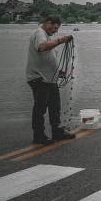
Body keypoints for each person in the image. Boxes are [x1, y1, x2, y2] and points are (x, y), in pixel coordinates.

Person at [26, 15, 76, 144]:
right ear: (48, 23)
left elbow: (46, 58)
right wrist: (61, 40)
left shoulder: (46, 36)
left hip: (50, 79)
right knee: (40, 108)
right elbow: (42, 47)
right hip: (39, 78)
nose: (55, 31)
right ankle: (38, 136)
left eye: (57, 29)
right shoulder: (39, 33)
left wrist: (59, 72)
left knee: (55, 107)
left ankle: (57, 132)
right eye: (54, 28)